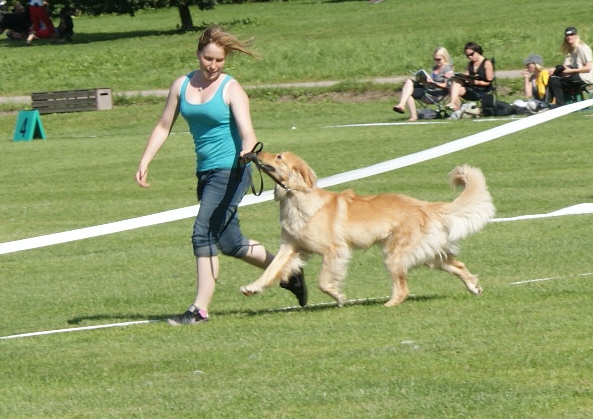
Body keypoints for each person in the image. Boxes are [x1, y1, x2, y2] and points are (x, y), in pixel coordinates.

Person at [135, 25, 307, 326]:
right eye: (208, 59)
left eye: (219, 61)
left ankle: (199, 310)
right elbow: (164, 126)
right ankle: (288, 272)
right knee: (230, 242)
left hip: (232, 171)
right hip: (205, 172)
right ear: (199, 54)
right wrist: (145, 160)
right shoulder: (182, 85)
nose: (213, 66)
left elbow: (247, 130)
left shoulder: (231, 88)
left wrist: (246, 150)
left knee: (203, 232)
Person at [392, 46, 453, 121]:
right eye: (435, 59)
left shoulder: (447, 69)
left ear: (445, 57)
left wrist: (433, 83)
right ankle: (404, 108)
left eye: (439, 59)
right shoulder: (435, 67)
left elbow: (446, 85)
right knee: (408, 82)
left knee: (408, 91)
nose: (437, 61)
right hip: (427, 90)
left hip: (437, 94)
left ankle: (406, 109)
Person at [547, 27, 593, 106]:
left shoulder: (582, 48)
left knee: (556, 80)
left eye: (572, 34)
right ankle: (548, 103)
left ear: (576, 36)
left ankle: (560, 105)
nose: (569, 37)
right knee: (553, 77)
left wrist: (570, 71)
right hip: (575, 74)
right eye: (567, 35)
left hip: (585, 76)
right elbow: (565, 66)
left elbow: (588, 68)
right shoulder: (571, 49)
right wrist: (554, 69)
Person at [446, 42, 494, 111]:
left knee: (455, 91)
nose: (470, 57)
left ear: (477, 51)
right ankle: (453, 105)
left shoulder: (487, 63)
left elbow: (488, 82)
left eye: (471, 54)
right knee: (456, 81)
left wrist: (476, 82)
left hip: (482, 90)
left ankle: (456, 110)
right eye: (467, 56)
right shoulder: (470, 64)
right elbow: (467, 76)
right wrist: (462, 77)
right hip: (471, 88)